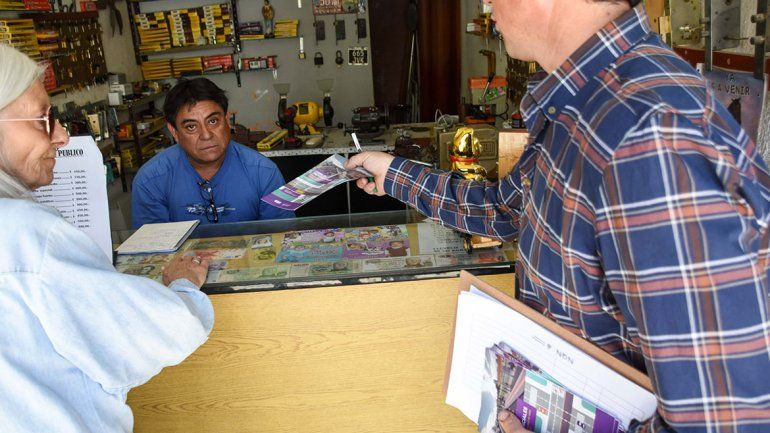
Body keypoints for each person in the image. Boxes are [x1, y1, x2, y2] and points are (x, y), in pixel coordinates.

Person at [346, 1, 770, 432]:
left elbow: (726, 422)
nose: (486, 3)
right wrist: (394, 174)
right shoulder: (586, 104)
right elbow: (504, 209)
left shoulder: (648, 135)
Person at [0, 44, 215, 433]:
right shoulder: (28, 234)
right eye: (43, 119)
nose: (62, 136)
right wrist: (182, 287)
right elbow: (153, 330)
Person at [131, 78, 294, 228]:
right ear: (174, 131)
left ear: (227, 120)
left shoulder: (264, 172)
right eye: (191, 127)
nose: (206, 135)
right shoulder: (150, 180)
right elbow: (153, 251)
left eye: (213, 121)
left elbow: (284, 237)